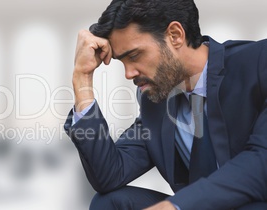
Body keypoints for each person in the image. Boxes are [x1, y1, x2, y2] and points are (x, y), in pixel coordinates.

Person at [63, 0, 267, 209]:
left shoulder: (259, 61)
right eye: (122, 62)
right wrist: (82, 78)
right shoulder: (156, 100)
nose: (128, 73)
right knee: (111, 202)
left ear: (175, 35)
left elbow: (261, 162)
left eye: (134, 56)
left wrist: (176, 205)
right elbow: (108, 175)